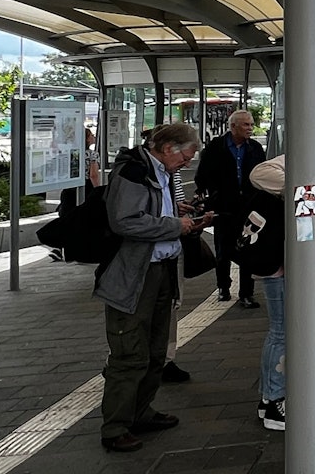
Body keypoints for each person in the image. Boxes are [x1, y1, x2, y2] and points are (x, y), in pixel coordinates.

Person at [95, 123, 212, 453]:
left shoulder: (161, 172)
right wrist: (175, 224)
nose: (188, 163)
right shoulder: (134, 171)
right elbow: (125, 220)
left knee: (156, 349)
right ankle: (115, 426)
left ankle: (140, 412)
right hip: (135, 273)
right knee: (130, 351)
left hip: (161, 268)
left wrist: (181, 216)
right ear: (168, 148)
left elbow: (153, 211)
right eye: (186, 156)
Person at [194, 109, 266, 308]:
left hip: (249, 206)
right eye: (246, 125)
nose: (250, 129)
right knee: (223, 249)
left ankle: (247, 293)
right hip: (223, 206)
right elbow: (202, 176)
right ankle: (223, 287)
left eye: (251, 125)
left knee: (248, 248)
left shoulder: (255, 148)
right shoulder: (216, 147)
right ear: (233, 126)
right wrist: (209, 196)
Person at [246, 154, 290, 431]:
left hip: (281, 263)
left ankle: (269, 397)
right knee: (281, 332)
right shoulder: (297, 159)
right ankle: (274, 400)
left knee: (280, 331)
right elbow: (258, 173)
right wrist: (305, 183)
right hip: (278, 266)